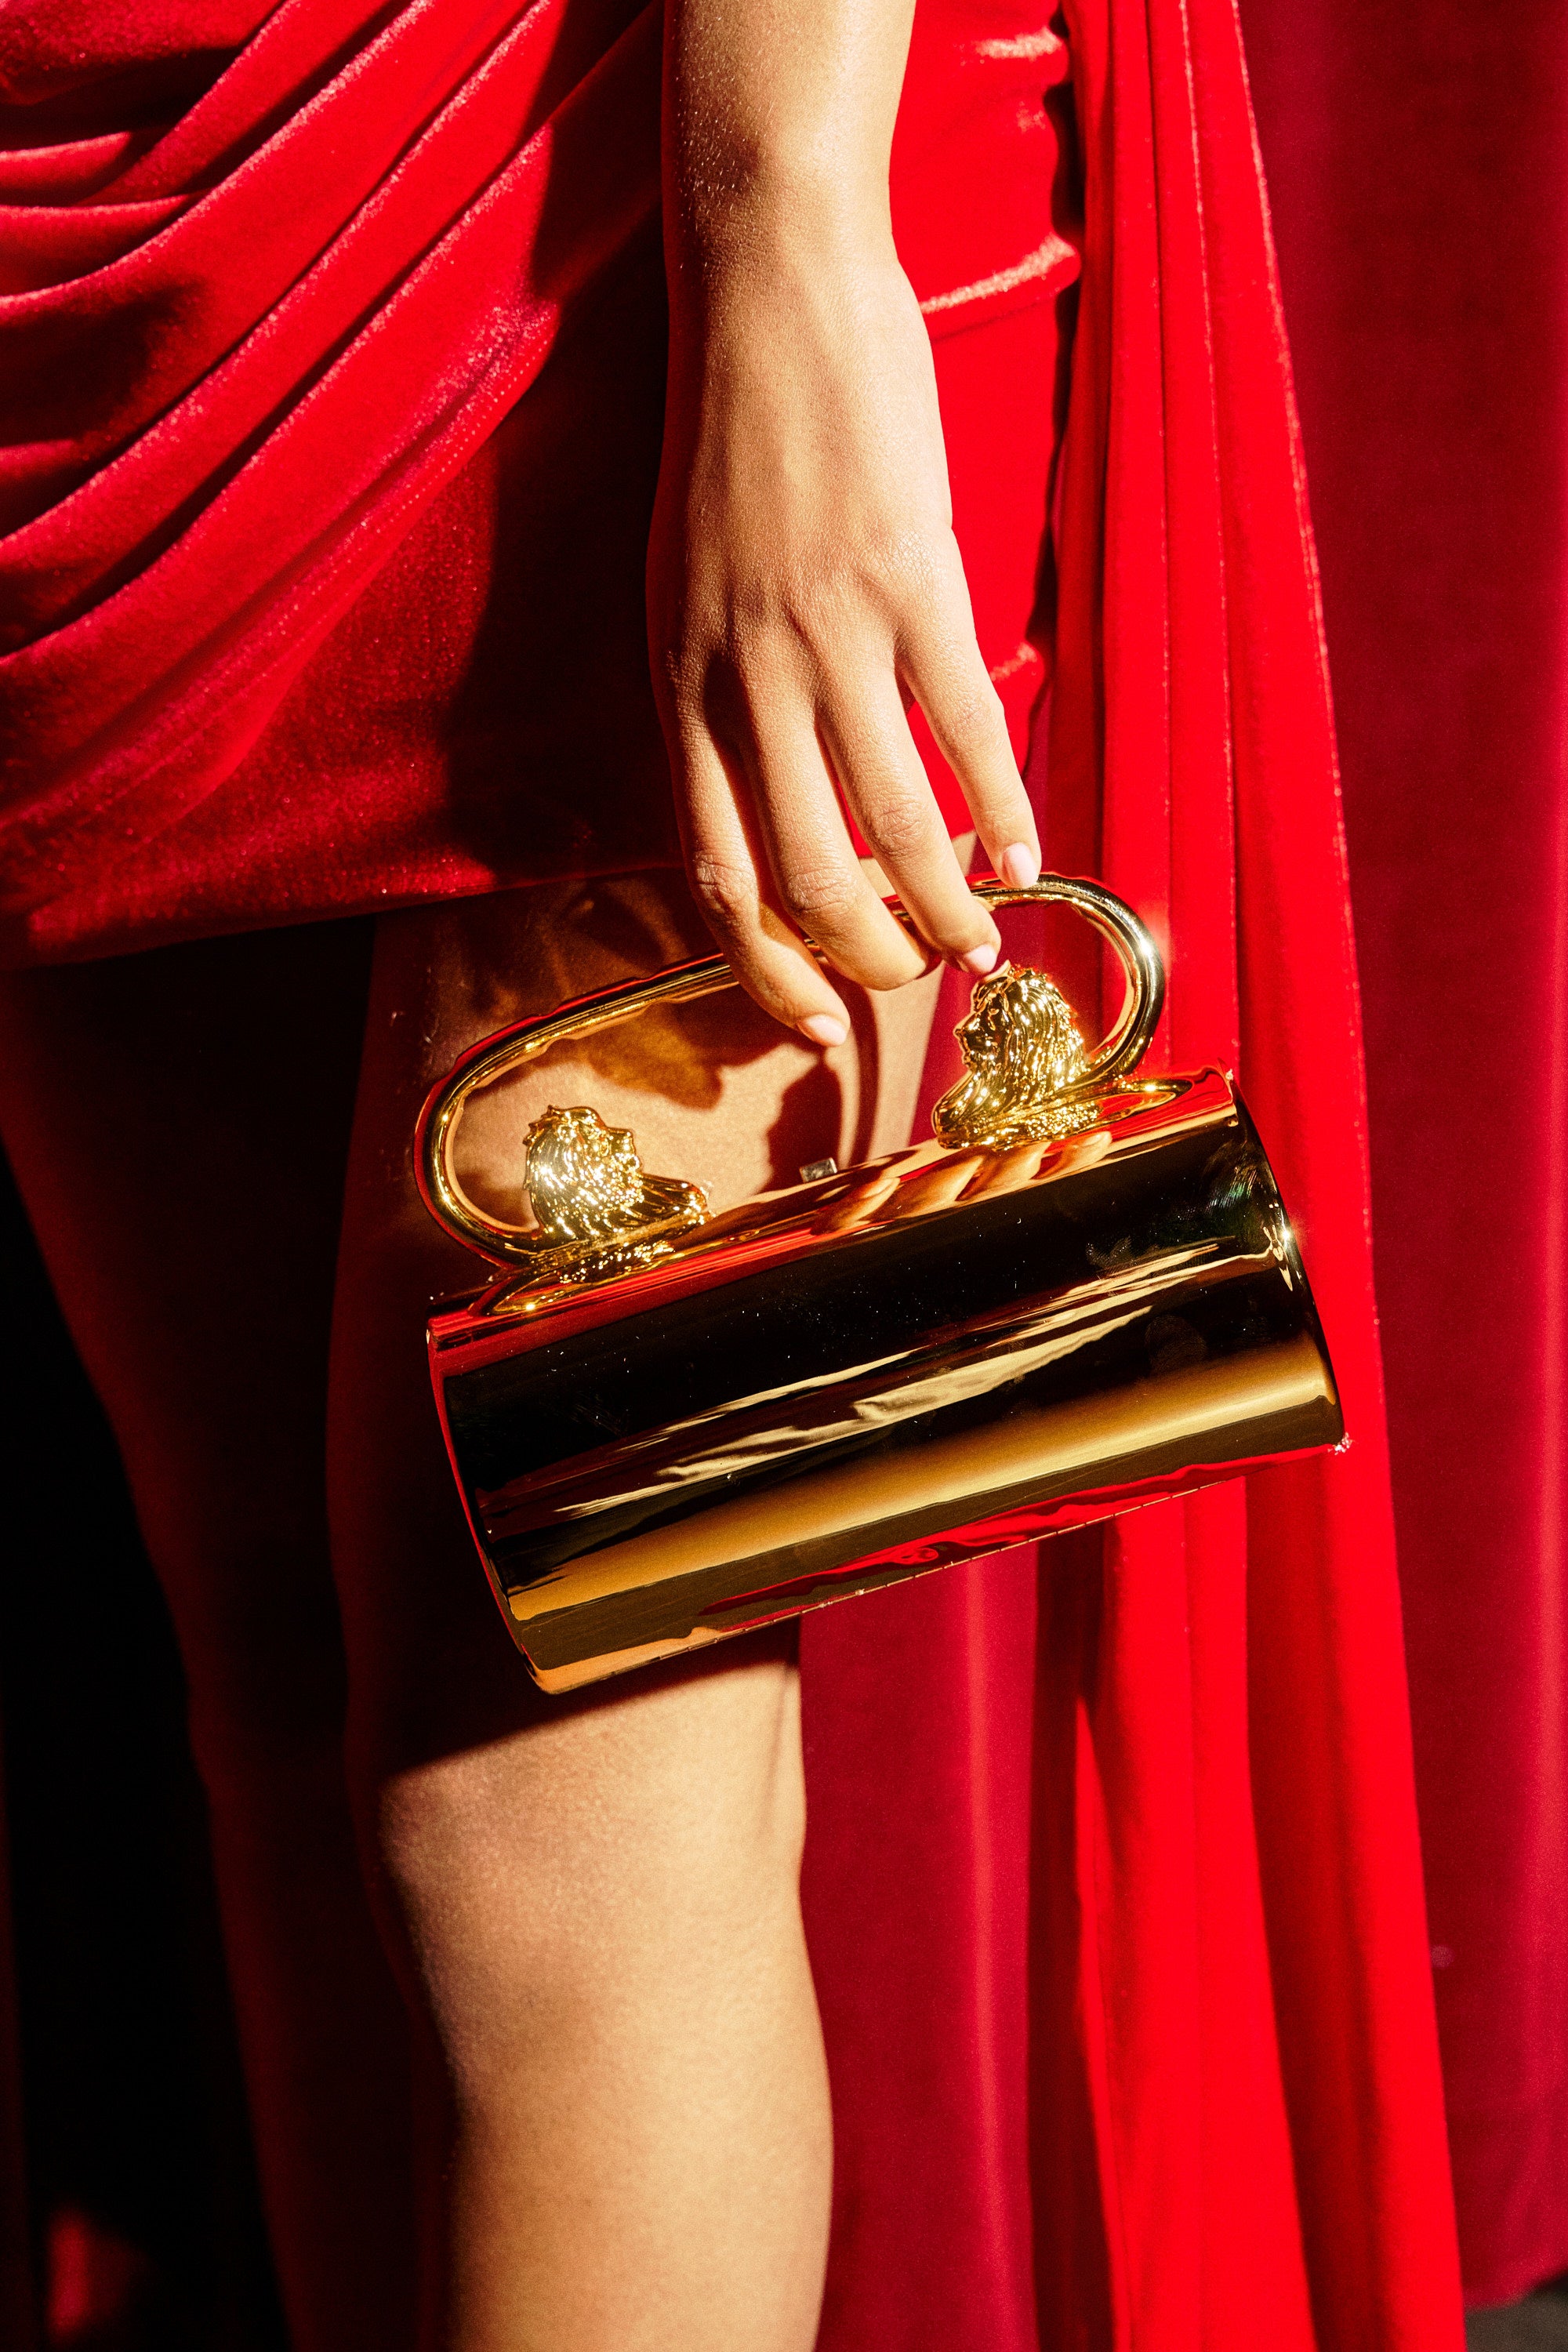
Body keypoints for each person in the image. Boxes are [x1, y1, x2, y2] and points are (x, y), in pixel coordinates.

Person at [0, 1, 1465, 2347]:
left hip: (615, 138)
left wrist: (787, 225)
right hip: (80, 202)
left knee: (536, 1764)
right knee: (275, 1665)